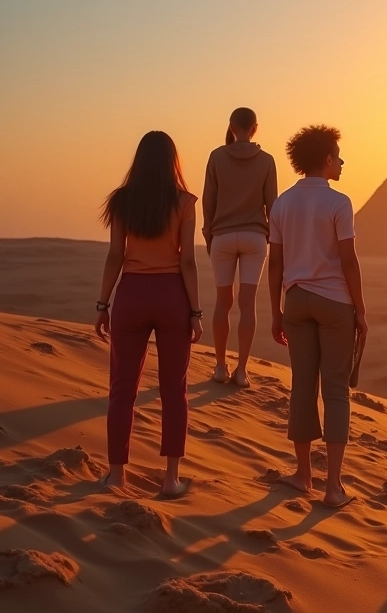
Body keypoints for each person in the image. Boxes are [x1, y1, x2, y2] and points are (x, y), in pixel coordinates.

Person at [95, 131, 202, 498]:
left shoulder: (122, 201)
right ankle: (170, 479)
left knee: (122, 389)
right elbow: (187, 259)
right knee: (175, 390)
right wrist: (196, 310)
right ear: (173, 161)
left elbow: (115, 256)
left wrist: (102, 303)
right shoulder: (186, 202)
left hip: (132, 295)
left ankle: (115, 475)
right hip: (173, 295)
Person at [268, 125, 367, 508]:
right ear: (326, 159)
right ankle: (333, 487)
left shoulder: (282, 204)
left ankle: (303, 474)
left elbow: (275, 263)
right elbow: (348, 260)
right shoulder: (339, 203)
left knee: (302, 386)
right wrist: (360, 309)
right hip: (334, 302)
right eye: (338, 155)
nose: (342, 161)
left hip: (296, 301)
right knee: (336, 390)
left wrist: (275, 311)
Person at [202, 107, 277, 387]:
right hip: (254, 237)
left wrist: (208, 233)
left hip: (222, 235)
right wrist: (271, 235)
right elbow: (273, 204)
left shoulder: (216, 157)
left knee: (224, 302)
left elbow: (208, 200)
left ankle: (220, 367)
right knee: (248, 304)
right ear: (255, 128)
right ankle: (242, 371)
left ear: (232, 127)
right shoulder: (267, 161)